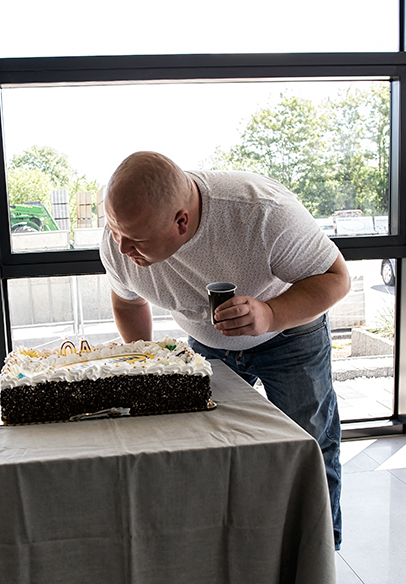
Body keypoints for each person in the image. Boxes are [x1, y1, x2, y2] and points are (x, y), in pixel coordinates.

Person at [100, 151, 351, 549]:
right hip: (208, 343)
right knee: (205, 448)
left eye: (135, 238)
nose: (121, 245)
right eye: (114, 230)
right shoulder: (120, 241)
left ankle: (319, 557)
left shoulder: (263, 212)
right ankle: (220, 552)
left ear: (181, 221)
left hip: (290, 336)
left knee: (310, 443)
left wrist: (270, 314)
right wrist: (147, 362)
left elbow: (337, 279)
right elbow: (129, 302)